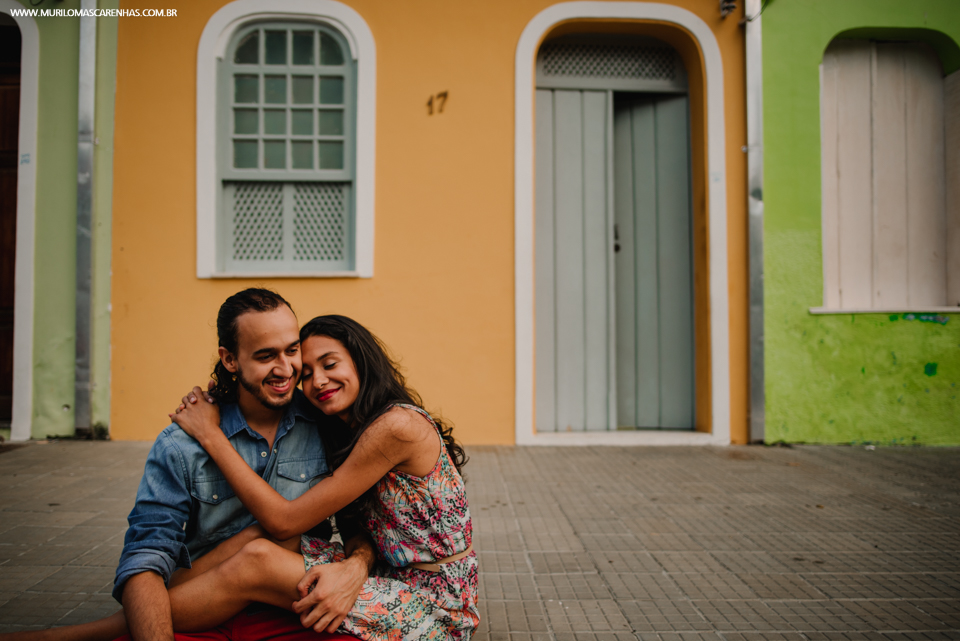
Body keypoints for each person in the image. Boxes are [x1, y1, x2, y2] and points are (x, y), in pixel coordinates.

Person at [2, 289, 373, 641]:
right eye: (265, 356)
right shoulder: (180, 445)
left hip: (293, 609)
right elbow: (147, 554)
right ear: (229, 359)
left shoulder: (324, 422)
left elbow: (362, 522)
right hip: (202, 613)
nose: (286, 368)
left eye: (292, 350)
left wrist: (356, 567)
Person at [167, 314, 479, 641]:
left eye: (330, 365)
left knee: (259, 559)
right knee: (260, 540)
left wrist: (210, 436)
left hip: (438, 606)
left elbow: (284, 520)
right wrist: (356, 564)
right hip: (389, 575)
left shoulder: (396, 427)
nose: (318, 381)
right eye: (308, 373)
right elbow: (352, 525)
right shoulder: (348, 430)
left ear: (361, 361)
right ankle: (164, 592)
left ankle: (126, 622)